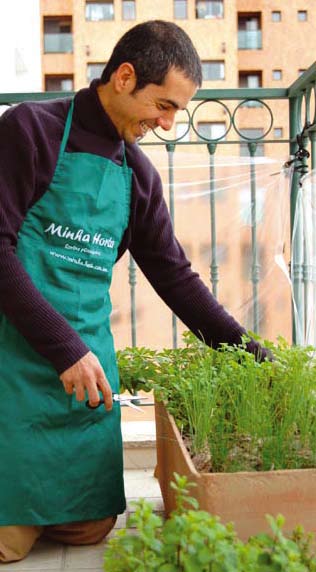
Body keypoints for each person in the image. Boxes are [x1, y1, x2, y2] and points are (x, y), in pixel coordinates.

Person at [0, 20, 268, 562]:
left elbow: (174, 276)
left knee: (92, 528)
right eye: (163, 106)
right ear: (124, 77)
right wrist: (64, 347)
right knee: (13, 541)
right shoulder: (30, 130)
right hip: (16, 361)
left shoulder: (139, 175)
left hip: (86, 371)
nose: (168, 125)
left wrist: (250, 356)